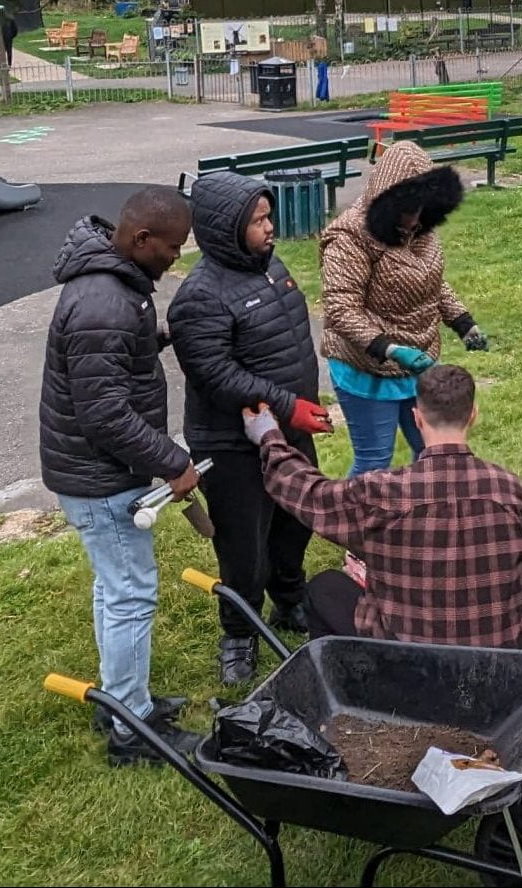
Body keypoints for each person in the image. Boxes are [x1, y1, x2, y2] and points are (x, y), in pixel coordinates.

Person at [39, 187, 202, 767]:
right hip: (101, 479)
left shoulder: (113, 288)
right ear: (140, 240)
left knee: (115, 588)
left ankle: (120, 701)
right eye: (172, 247)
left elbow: (108, 363)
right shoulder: (105, 303)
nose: (175, 257)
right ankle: (131, 732)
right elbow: (104, 413)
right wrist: (173, 461)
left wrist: (156, 338)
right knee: (132, 594)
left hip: (96, 473)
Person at [167, 172, 334, 686]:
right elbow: (216, 376)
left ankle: (290, 600)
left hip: (287, 430)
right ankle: (238, 632)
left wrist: (298, 409)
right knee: (244, 547)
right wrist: (289, 405)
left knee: (296, 521)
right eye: (258, 221)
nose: (270, 228)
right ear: (225, 228)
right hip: (233, 445)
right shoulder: (198, 297)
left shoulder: (268, 267)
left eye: (268, 216)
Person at [242, 364, 522, 648]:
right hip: (501, 663)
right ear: (472, 416)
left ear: (417, 418)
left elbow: (306, 492)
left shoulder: (381, 493)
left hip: (408, 662)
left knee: (324, 588)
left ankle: (342, 679)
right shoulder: (510, 489)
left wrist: (270, 437)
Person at [319, 140, 486, 476]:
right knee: (374, 462)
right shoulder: (349, 239)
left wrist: (464, 323)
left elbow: (432, 283)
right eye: (408, 211)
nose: (415, 220)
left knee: (432, 453)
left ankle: (420, 519)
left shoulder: (420, 231)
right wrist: (389, 348)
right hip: (365, 367)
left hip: (416, 365)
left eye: (422, 209)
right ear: (388, 202)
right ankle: (357, 524)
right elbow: (341, 308)